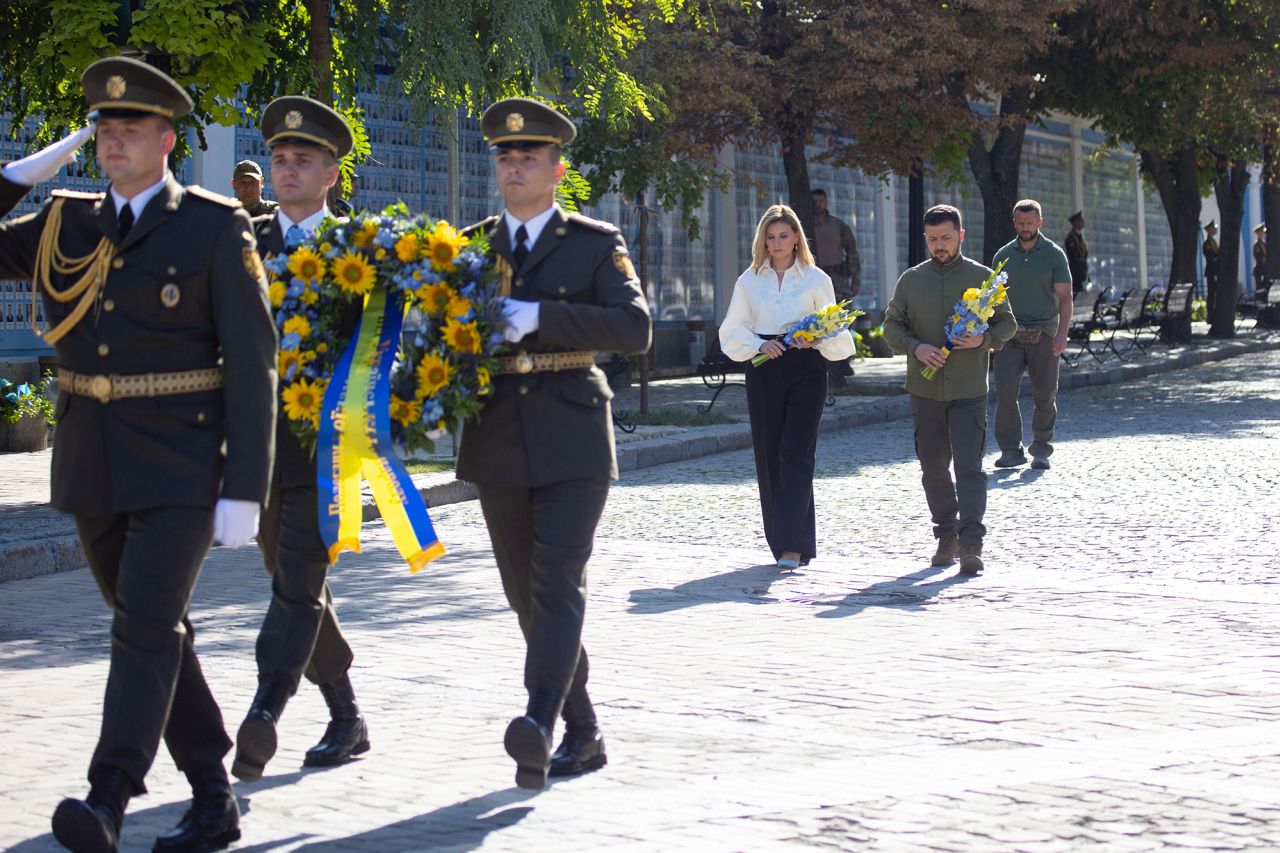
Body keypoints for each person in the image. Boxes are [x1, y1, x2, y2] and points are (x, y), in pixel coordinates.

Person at [0, 56, 276, 852]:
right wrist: (23, 172)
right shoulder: (66, 220)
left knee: (145, 626)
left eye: (130, 128)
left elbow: (253, 360)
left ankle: (110, 792)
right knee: (153, 626)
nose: (113, 141)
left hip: (183, 463)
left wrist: (244, 488)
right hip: (92, 461)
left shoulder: (213, 225)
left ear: (166, 138)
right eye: (103, 128)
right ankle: (214, 796)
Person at [457, 98, 651, 790]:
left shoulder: (595, 242)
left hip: (572, 432)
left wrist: (540, 316)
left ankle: (538, 720)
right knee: (525, 596)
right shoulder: (470, 247)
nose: (514, 166)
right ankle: (585, 726)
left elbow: (634, 327)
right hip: (498, 435)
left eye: (528, 157)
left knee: (557, 580)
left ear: (557, 170)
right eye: (505, 157)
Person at [230, 97, 371, 785]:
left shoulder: (364, 249)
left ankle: (265, 706)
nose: (287, 169)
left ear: (331, 173)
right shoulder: (240, 237)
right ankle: (347, 715)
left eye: (302, 159)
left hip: (327, 450)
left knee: (296, 582)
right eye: (280, 159)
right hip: (256, 450)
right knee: (292, 580)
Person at [719, 204, 854, 571]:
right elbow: (732, 329)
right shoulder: (749, 280)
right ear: (763, 239)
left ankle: (793, 548)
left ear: (796, 237)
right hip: (764, 366)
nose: (777, 243)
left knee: (796, 452)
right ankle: (783, 541)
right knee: (769, 454)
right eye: (771, 236)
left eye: (784, 235)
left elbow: (837, 329)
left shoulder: (815, 279)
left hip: (806, 369)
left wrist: (817, 340)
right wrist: (759, 344)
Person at [883, 205, 1015, 575]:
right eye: (932, 239)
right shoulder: (911, 280)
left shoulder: (985, 279)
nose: (939, 246)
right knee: (933, 468)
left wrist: (984, 339)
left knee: (970, 467)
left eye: (945, 238)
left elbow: (1008, 324)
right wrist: (916, 348)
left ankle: (972, 542)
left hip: (968, 388)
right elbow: (891, 327)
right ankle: (946, 534)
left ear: (961, 235)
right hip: (924, 392)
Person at [991, 199, 1072, 471]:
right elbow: (992, 298)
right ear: (1014, 223)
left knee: (1045, 394)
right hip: (1009, 333)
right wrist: (991, 334)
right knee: (1004, 393)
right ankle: (1010, 451)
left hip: (1045, 332)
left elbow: (1065, 297)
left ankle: (1041, 449)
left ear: (1040, 222)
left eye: (1030, 222)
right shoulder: (1003, 255)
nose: (1025, 228)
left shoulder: (1053, 254)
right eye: (1021, 223)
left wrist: (1062, 333)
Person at [1064, 211, 1089, 295]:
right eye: (1080, 220)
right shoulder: (1072, 238)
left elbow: (1084, 254)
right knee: (1076, 293)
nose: (1083, 222)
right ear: (1075, 222)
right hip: (1076, 272)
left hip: (1081, 271)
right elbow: (1074, 256)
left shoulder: (1079, 237)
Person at [1203, 220, 1220, 315]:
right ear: (1209, 230)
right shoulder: (1208, 243)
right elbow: (1211, 257)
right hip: (1211, 271)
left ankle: (1213, 313)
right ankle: (1210, 314)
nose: (1215, 230)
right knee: (1211, 293)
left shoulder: (1213, 241)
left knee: (1215, 293)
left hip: (1215, 271)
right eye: (1213, 228)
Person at [1253, 223, 1267, 293]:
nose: (1263, 234)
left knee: (1264, 288)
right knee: (1259, 288)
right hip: (1259, 269)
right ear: (1258, 233)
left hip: (1264, 268)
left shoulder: (1264, 244)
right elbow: (1258, 258)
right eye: (1262, 232)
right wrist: (1262, 270)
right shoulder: (1257, 245)